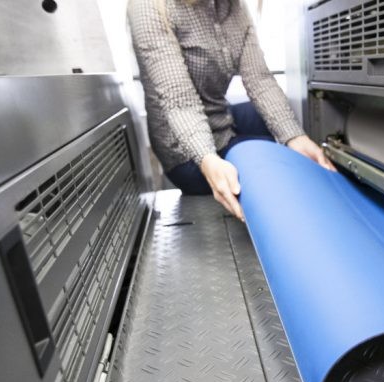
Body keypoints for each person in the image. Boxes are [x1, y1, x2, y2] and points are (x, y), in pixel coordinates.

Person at [128, 0, 335, 222]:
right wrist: (208, 160)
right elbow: (180, 101)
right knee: (268, 163)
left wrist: (294, 136)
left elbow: (259, 80)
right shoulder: (149, 6)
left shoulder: (233, 6)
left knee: (273, 129)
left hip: (221, 117)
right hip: (185, 149)